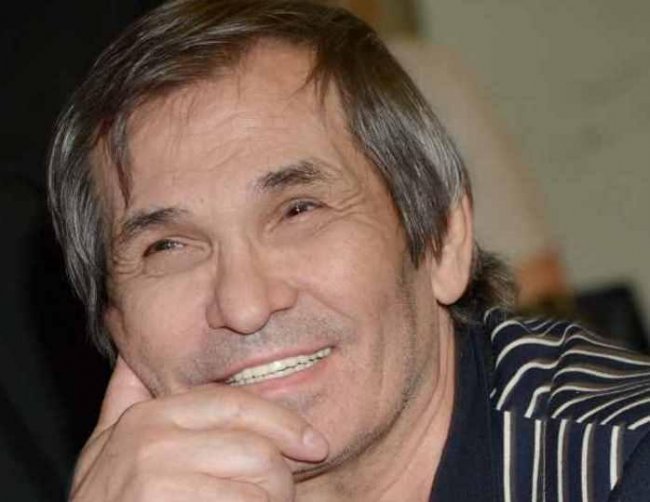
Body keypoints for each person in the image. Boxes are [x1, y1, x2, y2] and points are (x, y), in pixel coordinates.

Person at [47, 1, 650, 500]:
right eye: (169, 247)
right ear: (116, 324)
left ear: (442, 240)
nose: (245, 305)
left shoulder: (619, 464)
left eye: (299, 211)